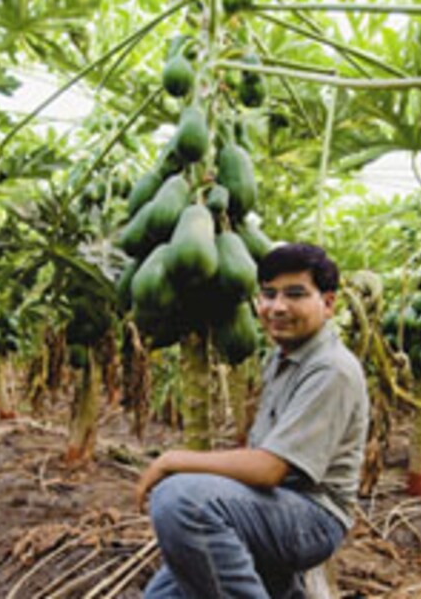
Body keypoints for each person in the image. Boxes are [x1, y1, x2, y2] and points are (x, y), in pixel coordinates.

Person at [135, 243, 370, 598]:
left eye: (295, 294)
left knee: (182, 501)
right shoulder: (282, 357)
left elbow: (270, 468)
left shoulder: (331, 369)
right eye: (268, 294)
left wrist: (172, 461)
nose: (277, 307)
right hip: (270, 507)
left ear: (328, 303)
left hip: (312, 519)